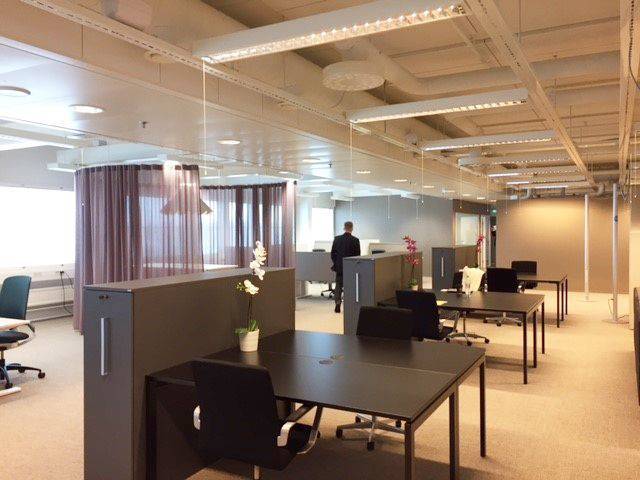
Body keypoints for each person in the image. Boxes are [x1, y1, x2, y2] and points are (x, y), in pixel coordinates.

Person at [330, 221, 361, 313]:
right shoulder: (355, 240)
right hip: (351, 267)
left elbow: (332, 254)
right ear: (352, 228)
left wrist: (336, 263)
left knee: (338, 285)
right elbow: (357, 256)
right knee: (350, 286)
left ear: (344, 228)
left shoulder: (337, 239)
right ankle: (349, 305)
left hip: (339, 267)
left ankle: (337, 304)